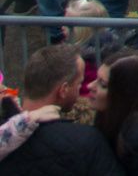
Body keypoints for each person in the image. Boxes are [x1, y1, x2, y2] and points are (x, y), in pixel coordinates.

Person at [1, 43, 123, 175]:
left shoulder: (6, 134)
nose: (87, 87)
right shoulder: (87, 141)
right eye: (79, 83)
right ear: (63, 90)